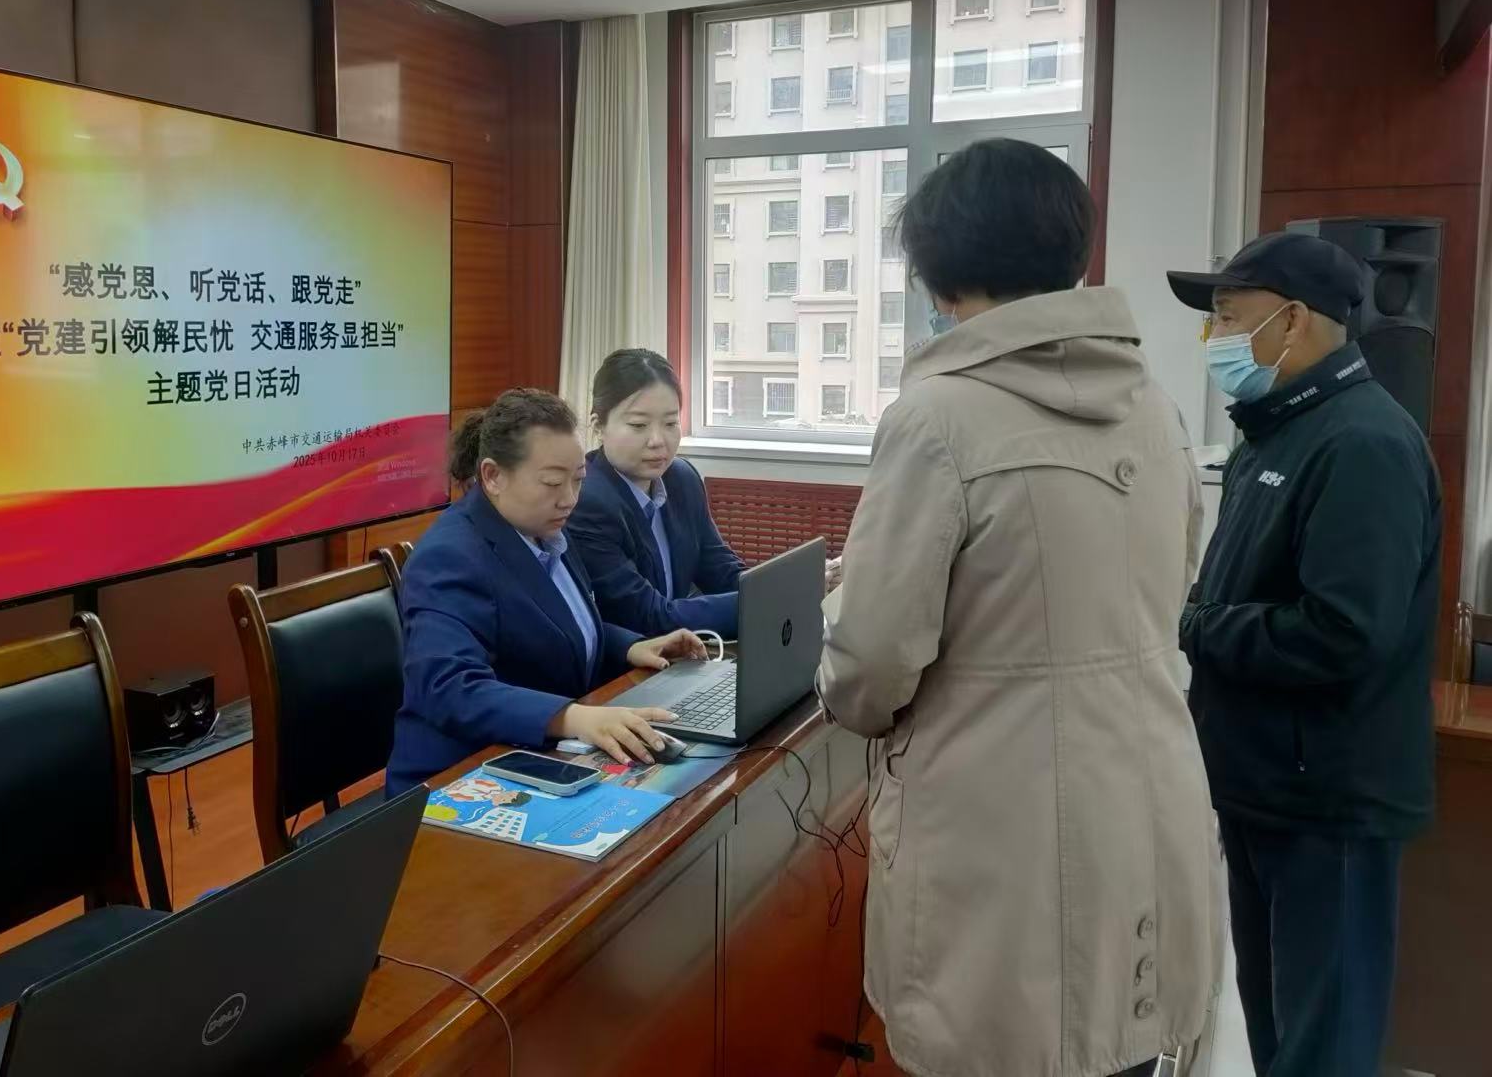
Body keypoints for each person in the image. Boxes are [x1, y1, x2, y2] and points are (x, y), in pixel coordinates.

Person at [817, 138, 1220, 1077]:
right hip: (1146, 798)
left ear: (943, 271)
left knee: (997, 1044)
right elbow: (1173, 585)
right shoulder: (1156, 409)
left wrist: (844, 679)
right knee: (1115, 1045)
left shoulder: (937, 416)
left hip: (1001, 832)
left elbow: (870, 665)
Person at [1167, 232, 1440, 1077]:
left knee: (1323, 1046)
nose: (1214, 338)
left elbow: (1345, 632)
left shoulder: (1363, 443)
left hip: (1327, 802)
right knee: (1278, 1032)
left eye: (1228, 317)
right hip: (1263, 785)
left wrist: (1198, 625)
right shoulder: (1274, 432)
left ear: (1292, 320)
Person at [385, 388, 706, 795]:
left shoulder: (544, 529)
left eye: (578, 480)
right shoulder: (449, 556)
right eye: (552, 482)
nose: (569, 499)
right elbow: (450, 688)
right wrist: (573, 718)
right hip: (454, 779)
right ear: (493, 476)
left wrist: (630, 646)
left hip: (536, 756)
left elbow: (555, 625)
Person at [565, 349, 747, 637]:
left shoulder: (682, 478)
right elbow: (647, 616)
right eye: (638, 425)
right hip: (630, 656)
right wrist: (758, 603)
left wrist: (774, 587)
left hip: (682, 649)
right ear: (599, 426)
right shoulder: (587, 501)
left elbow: (719, 568)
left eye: (671, 423)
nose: (657, 441)